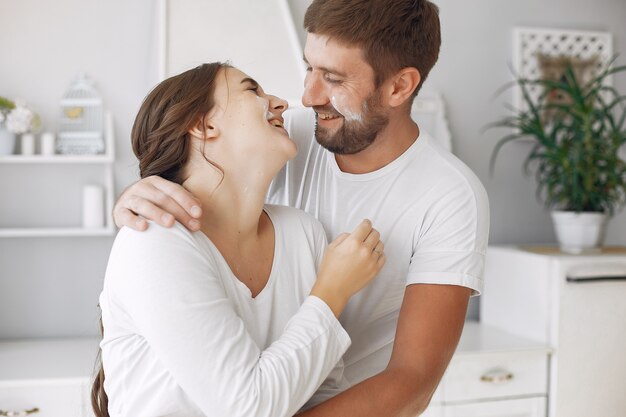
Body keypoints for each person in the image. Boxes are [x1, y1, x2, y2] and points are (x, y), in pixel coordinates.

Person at [113, 0, 490, 415]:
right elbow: (201, 169)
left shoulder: (450, 196)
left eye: (332, 78)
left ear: (399, 87)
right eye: (309, 67)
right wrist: (142, 197)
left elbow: (411, 382)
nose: (306, 97)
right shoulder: (291, 135)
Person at [93, 62, 387, 417]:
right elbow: (247, 406)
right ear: (204, 125)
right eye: (253, 90)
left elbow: (320, 391)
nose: (280, 103)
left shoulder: (302, 232)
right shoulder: (155, 240)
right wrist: (331, 292)